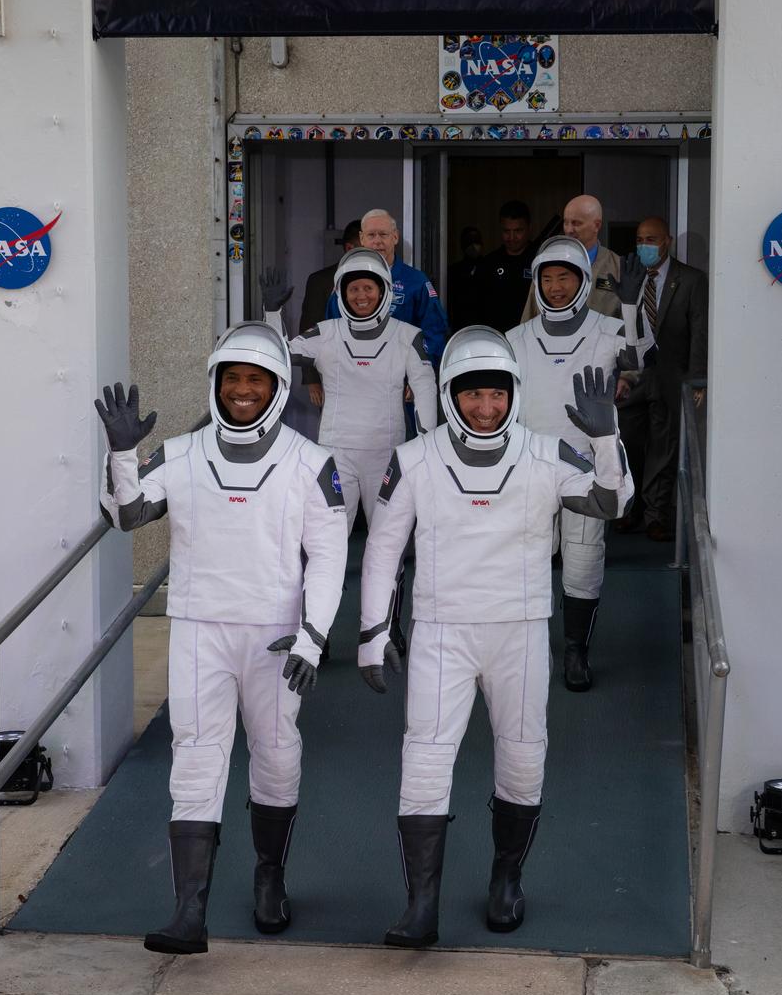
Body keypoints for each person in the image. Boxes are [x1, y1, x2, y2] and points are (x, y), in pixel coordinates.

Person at [357, 328, 634, 948]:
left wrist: (606, 437)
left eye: (497, 395)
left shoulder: (547, 453)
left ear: (514, 393)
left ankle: (507, 877)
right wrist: (374, 629)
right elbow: (382, 550)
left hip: (521, 631)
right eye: (471, 395)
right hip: (440, 630)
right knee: (424, 760)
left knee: (522, 754)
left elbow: (614, 504)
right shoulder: (414, 459)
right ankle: (420, 904)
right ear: (451, 394)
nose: (485, 408)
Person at [96, 323, 348, 953]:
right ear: (215, 384)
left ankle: (270, 876)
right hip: (199, 628)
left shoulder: (311, 464)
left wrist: (313, 638)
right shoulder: (180, 455)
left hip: (276, 638)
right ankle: (189, 911)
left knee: (276, 754)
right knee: (197, 756)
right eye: (232, 378)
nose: (242, 390)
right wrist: (122, 454)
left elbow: (329, 557)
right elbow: (128, 516)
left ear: (278, 388)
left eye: (255, 380)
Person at [263, 251, 436, 653]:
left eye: (369, 287)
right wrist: (272, 313)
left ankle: (386, 630)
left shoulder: (407, 336)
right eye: (354, 288)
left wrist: (427, 444)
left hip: (389, 457)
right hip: (336, 458)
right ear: (342, 291)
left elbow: (426, 388)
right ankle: (314, 636)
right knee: (323, 550)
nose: (361, 295)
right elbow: (276, 358)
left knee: (389, 548)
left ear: (383, 293)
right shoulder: (324, 333)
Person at [507, 236, 654, 692]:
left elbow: (639, 357)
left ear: (583, 282)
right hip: (529, 464)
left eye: (564, 278)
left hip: (586, 465)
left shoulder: (607, 329)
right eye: (546, 279)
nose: (554, 287)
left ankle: (575, 651)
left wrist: (630, 305)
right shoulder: (516, 338)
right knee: (523, 562)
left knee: (583, 562)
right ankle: (525, 647)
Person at [612, 216, 708, 541]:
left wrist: (697, 381)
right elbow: (618, 329)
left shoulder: (692, 280)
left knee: (664, 449)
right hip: (634, 377)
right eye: (640, 239)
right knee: (629, 446)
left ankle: (656, 516)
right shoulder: (631, 278)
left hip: (671, 376)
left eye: (651, 240)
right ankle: (630, 510)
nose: (644, 246)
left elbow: (699, 333)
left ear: (666, 241)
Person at [327, 208, 450, 368]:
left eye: (383, 234)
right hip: (355, 376)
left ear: (395, 237)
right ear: (362, 238)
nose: (377, 241)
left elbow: (434, 332)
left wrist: (420, 372)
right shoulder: (345, 281)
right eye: (371, 235)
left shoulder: (416, 281)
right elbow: (332, 331)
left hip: (402, 378)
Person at [519, 194, 624, 323]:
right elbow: (529, 318)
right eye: (566, 222)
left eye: (576, 223)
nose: (568, 230)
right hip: (551, 341)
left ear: (597, 225)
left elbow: (629, 327)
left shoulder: (618, 267)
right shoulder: (548, 261)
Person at [299, 219, 362, 408]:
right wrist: (312, 380)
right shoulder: (322, 281)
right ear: (350, 248)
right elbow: (309, 328)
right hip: (332, 375)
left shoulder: (385, 280)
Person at [472, 200, 537, 333]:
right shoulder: (488, 264)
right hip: (495, 339)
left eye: (518, 231)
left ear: (529, 228)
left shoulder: (540, 261)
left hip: (531, 336)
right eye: (507, 231)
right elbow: (475, 307)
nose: (512, 237)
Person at [447, 225, 484, 331]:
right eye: (469, 241)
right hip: (460, 327)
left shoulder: (490, 268)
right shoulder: (453, 271)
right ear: (462, 245)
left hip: (485, 327)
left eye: (476, 241)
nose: (473, 246)